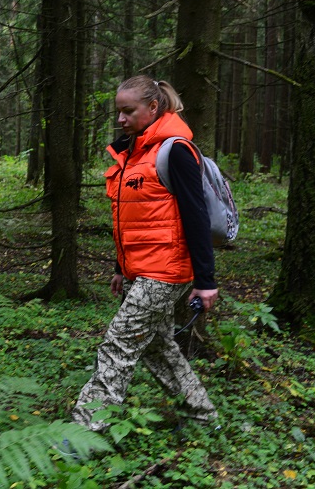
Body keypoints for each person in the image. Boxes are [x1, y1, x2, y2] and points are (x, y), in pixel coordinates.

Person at [71, 75, 219, 432]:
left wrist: (206, 280)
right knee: (156, 345)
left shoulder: (175, 150)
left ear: (153, 107)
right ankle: (202, 418)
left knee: (118, 343)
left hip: (167, 269)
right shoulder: (132, 153)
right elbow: (131, 219)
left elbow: (196, 216)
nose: (121, 119)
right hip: (141, 268)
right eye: (118, 111)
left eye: (128, 111)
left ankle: (83, 434)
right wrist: (120, 267)